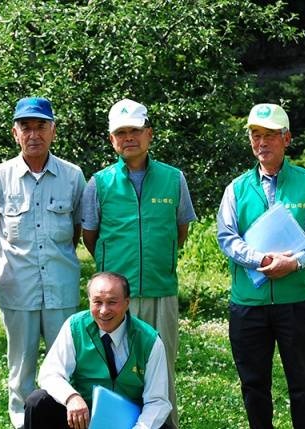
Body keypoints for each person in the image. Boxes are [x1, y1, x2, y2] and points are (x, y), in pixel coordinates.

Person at [81, 98, 196, 428]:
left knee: (162, 368)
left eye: (135, 130)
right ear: (112, 140)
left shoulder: (174, 179)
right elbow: (90, 236)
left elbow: (180, 230)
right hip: (117, 298)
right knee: (118, 370)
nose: (128, 138)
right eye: (121, 132)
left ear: (149, 134)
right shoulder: (99, 183)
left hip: (161, 289)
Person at [216, 103, 305, 429]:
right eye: (256, 135)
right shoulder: (236, 188)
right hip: (248, 303)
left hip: (294, 301)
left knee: (304, 384)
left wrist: (294, 262)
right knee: (254, 385)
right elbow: (226, 237)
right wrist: (261, 260)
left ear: (287, 138)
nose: (262, 143)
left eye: (270, 136)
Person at [0, 97, 86, 428]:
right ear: (15, 133)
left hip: (61, 288)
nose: (34, 134)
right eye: (26, 127)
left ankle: (60, 423)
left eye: (41, 126)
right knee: (20, 369)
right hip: (17, 288)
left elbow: (78, 230)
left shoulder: (73, 176)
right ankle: (22, 424)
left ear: (53, 131)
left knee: (66, 365)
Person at [24, 271, 172, 429]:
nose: (103, 310)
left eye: (112, 302)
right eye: (97, 302)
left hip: (129, 422)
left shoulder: (149, 340)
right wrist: (71, 397)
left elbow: (157, 401)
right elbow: (50, 373)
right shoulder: (75, 327)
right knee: (38, 401)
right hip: (81, 417)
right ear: (89, 301)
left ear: (127, 302)